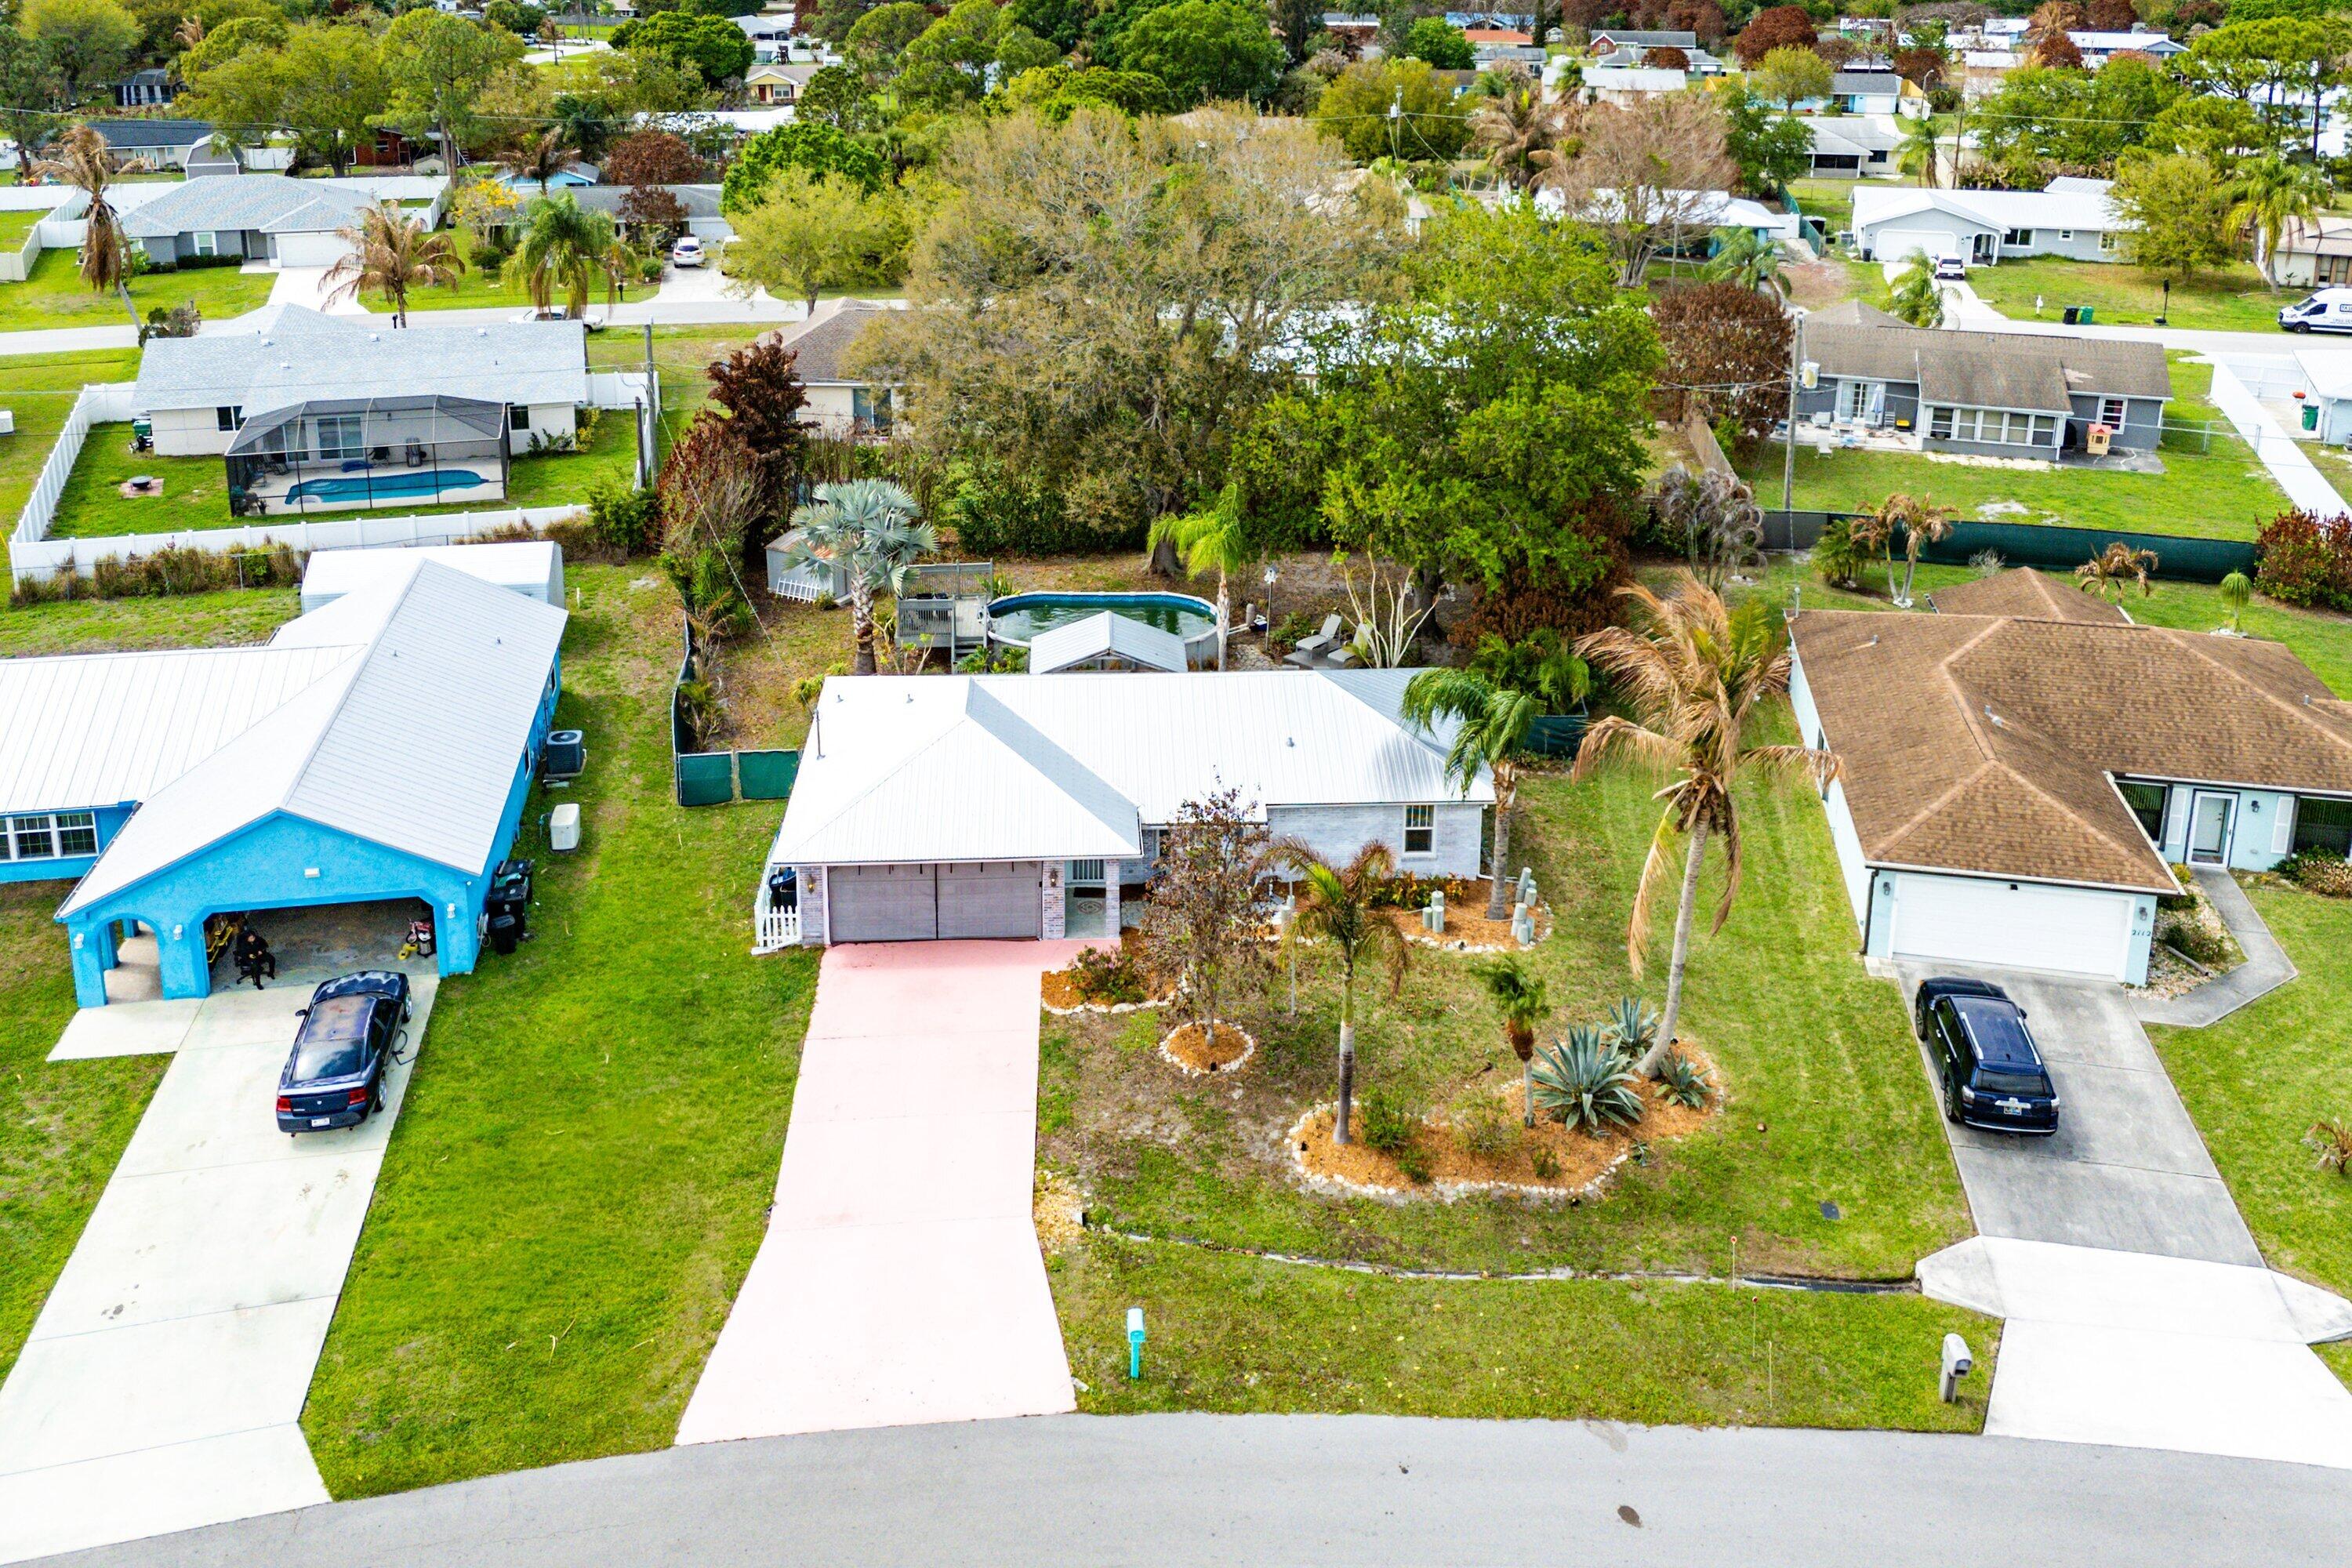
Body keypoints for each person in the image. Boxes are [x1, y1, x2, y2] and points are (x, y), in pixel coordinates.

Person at [234, 925, 276, 990]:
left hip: (259, 953)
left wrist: (261, 950)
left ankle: (271, 973)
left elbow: (265, 945)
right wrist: (248, 955)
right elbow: (240, 953)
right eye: (251, 938)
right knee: (257, 968)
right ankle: (258, 984)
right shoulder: (243, 944)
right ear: (247, 939)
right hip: (250, 957)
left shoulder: (258, 939)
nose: (253, 939)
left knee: (272, 959)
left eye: (253, 937)